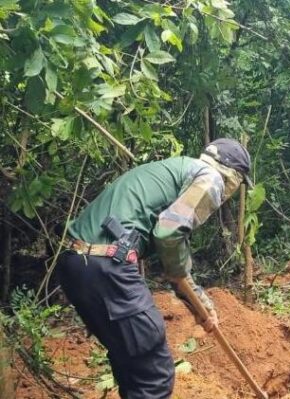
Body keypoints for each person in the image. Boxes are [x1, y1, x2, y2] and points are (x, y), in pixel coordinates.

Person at [56, 138, 251, 399]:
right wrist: (191, 290)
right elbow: (169, 233)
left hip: (76, 264)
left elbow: (168, 243)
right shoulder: (211, 179)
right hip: (107, 266)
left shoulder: (175, 169)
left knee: (132, 367)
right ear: (233, 177)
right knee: (153, 375)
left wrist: (200, 304)